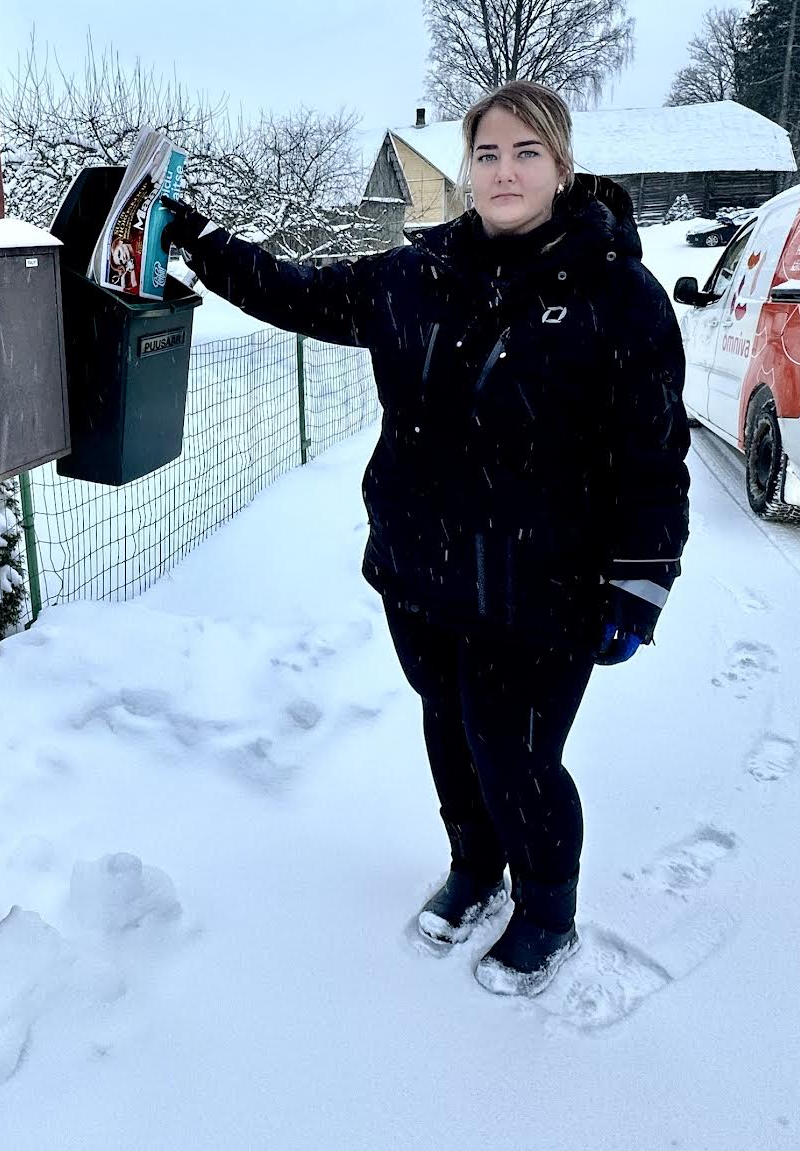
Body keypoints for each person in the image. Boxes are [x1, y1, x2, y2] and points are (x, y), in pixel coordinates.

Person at [161, 79, 689, 997]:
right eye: (487, 153)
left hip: (545, 585)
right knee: (448, 734)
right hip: (422, 570)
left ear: (561, 166)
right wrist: (198, 240)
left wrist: (641, 578)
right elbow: (295, 293)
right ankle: (475, 870)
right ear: (465, 168)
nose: (505, 170)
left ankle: (546, 909)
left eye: (527, 152)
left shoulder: (619, 294)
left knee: (515, 754)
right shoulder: (413, 276)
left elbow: (652, 450)